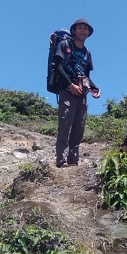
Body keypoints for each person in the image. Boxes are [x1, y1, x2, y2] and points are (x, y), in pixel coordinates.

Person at [53, 18, 101, 167]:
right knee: (65, 124)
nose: (83, 30)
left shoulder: (87, 52)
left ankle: (73, 161)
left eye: (85, 29)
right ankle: (61, 160)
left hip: (82, 94)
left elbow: (86, 75)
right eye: (80, 28)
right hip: (67, 90)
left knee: (79, 127)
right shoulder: (64, 45)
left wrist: (94, 88)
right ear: (74, 31)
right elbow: (59, 67)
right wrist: (71, 85)